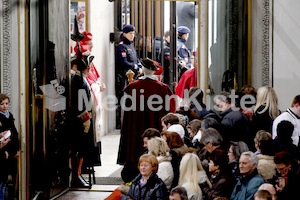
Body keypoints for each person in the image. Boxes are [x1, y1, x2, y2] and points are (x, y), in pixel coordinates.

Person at [117, 58, 176, 166]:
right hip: (156, 126)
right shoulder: (162, 88)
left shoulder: (132, 87)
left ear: (143, 69)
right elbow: (169, 111)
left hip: (135, 128)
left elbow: (126, 114)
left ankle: (135, 165)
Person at [75, 31, 106, 168]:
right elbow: (87, 84)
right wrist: (97, 86)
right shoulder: (81, 64)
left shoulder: (89, 59)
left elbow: (94, 78)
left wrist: (98, 85)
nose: (91, 47)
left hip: (94, 100)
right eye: (89, 44)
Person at [69, 54, 95, 188]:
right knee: (78, 150)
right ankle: (76, 176)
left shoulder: (80, 79)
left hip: (83, 119)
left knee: (81, 150)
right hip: (79, 121)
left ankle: (77, 175)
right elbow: (80, 105)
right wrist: (86, 121)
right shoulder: (78, 81)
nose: (89, 68)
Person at [115, 24, 143, 128]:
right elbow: (123, 62)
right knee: (125, 99)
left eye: (133, 33)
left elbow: (136, 58)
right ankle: (123, 122)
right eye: (130, 33)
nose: (132, 36)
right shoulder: (121, 46)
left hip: (134, 77)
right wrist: (136, 67)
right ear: (124, 34)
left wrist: (140, 67)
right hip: (125, 77)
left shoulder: (131, 45)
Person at [0, 94, 19, 199]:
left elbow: (14, 134)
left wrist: (15, 150)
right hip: (2, 152)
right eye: (2, 104)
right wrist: (4, 150)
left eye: (6, 104)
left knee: (6, 181)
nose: (5, 106)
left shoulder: (9, 115)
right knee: (2, 181)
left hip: (10, 152)